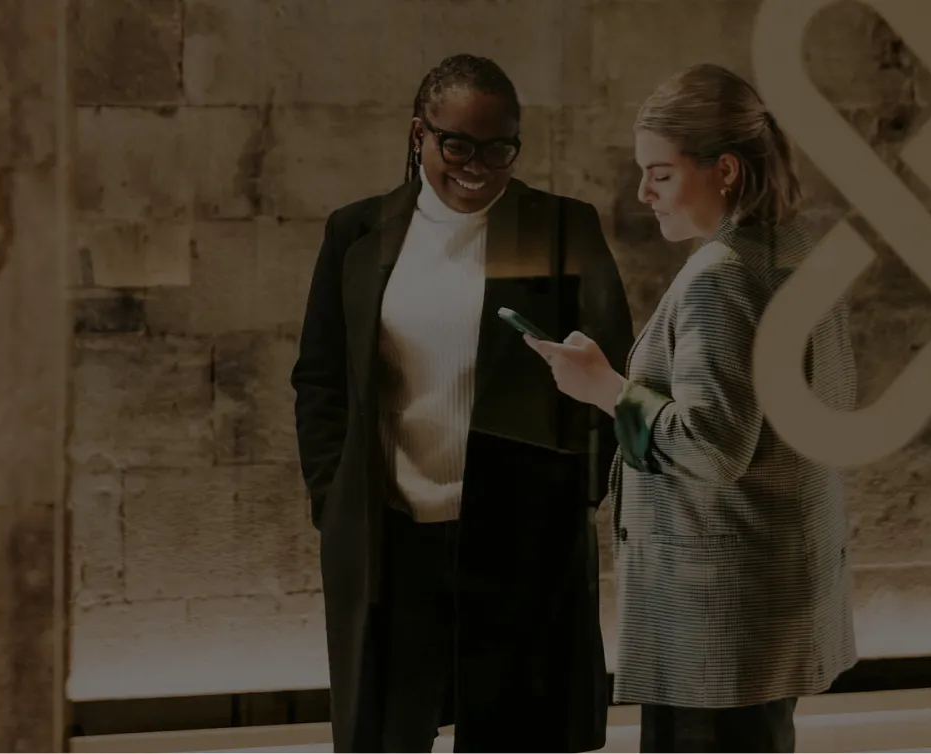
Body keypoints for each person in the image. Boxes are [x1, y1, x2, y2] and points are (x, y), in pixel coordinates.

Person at [289, 53, 635, 753]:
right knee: (388, 736)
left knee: (516, 739)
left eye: (499, 148)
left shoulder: (560, 228)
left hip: (521, 544)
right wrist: (334, 497)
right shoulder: (356, 232)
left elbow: (612, 377)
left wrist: (573, 500)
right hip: (392, 542)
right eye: (458, 145)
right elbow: (321, 380)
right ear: (420, 133)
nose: (478, 166)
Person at [525, 63, 860, 753]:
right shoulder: (798, 251)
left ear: (726, 170)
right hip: (775, 594)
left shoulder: (721, 275)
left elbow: (711, 446)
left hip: (714, 616)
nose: (643, 192)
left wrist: (604, 388)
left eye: (662, 173)